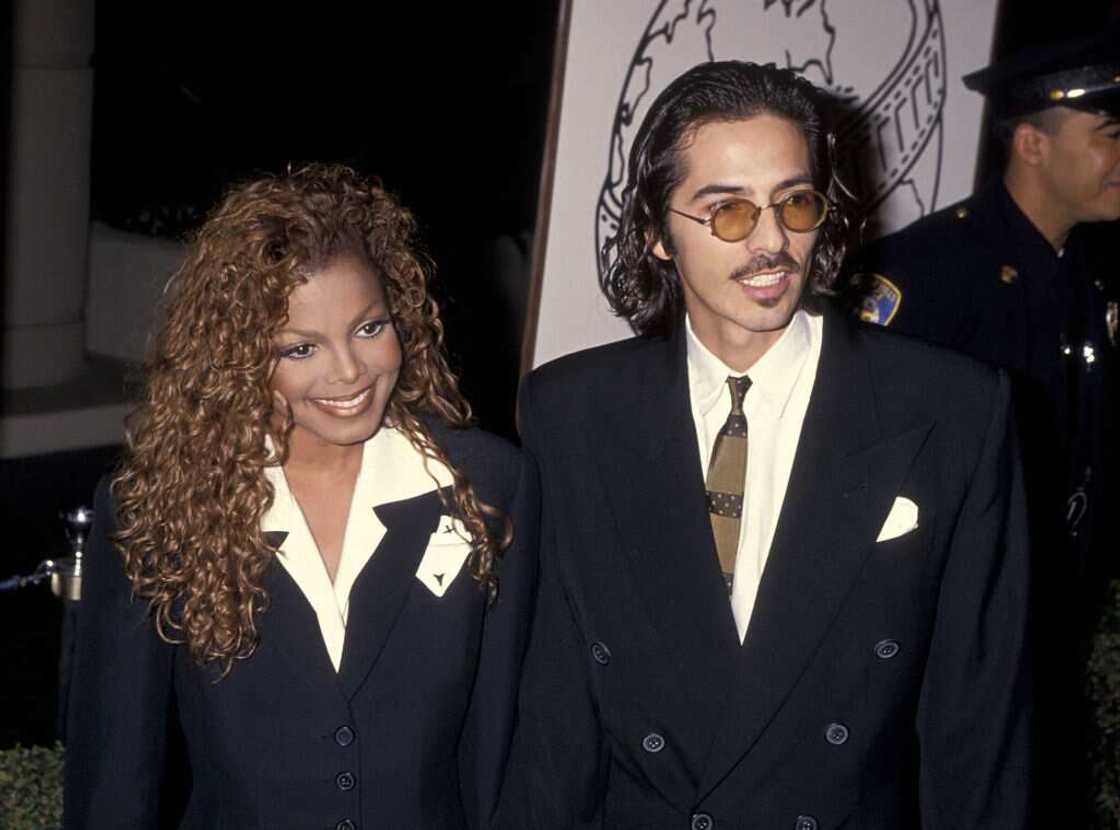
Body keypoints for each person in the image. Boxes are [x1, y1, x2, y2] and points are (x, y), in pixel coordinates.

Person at [498, 61, 1030, 829]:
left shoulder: (952, 409)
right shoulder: (572, 410)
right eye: (730, 212)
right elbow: (555, 714)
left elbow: (979, 729)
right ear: (655, 232)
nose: (775, 242)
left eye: (795, 202)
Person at [63, 163, 538, 829]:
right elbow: (115, 779)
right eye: (301, 347)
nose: (348, 371)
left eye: (369, 328)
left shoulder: (485, 485)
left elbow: (502, 748)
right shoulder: (161, 508)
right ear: (240, 354)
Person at [848, 26, 1119, 821]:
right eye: (1108, 135)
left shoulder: (1084, 273)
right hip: (940, 651)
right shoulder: (928, 274)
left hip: (1045, 630)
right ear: (1032, 143)